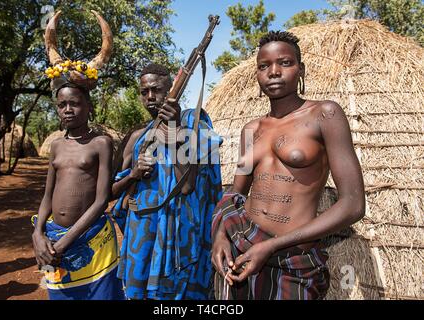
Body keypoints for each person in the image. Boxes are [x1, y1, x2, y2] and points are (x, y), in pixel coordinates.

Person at [211, 31, 365, 300]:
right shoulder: (252, 129)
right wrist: (220, 238)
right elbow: (234, 196)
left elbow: (353, 204)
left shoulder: (324, 114)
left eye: (285, 63)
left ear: (301, 69)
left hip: (291, 259)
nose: (273, 72)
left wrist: (272, 246)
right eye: (263, 66)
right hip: (241, 250)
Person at [31, 10, 124, 300]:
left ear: (89, 107)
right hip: (54, 238)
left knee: (100, 295)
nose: (68, 110)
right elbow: (48, 195)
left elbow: (100, 201)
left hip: (90, 238)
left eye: (75, 103)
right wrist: (38, 235)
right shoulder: (57, 145)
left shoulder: (101, 143)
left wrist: (67, 241)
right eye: (62, 105)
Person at [111, 63, 222, 300]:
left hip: (180, 244)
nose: (151, 97)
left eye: (157, 89)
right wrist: (134, 174)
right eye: (144, 92)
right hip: (144, 238)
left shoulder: (194, 123)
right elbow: (112, 191)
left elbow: (188, 185)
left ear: (171, 88)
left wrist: (174, 131)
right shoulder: (138, 137)